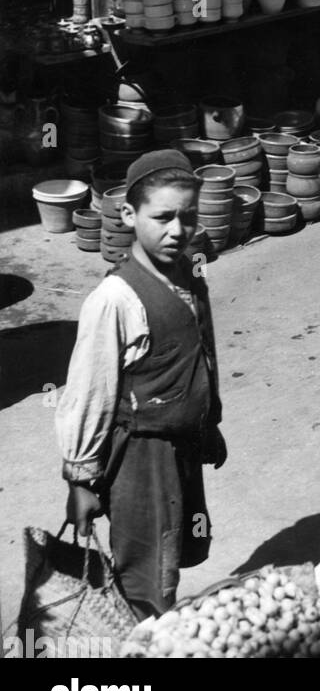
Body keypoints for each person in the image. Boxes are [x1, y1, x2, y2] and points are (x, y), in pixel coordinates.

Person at [56, 149, 226, 617]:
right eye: (163, 217)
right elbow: (90, 392)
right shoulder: (113, 299)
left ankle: (161, 631)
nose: (178, 230)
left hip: (183, 444)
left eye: (188, 216)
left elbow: (200, 350)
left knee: (177, 550)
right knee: (147, 572)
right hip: (141, 457)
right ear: (129, 215)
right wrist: (82, 479)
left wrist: (209, 421)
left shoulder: (190, 270)